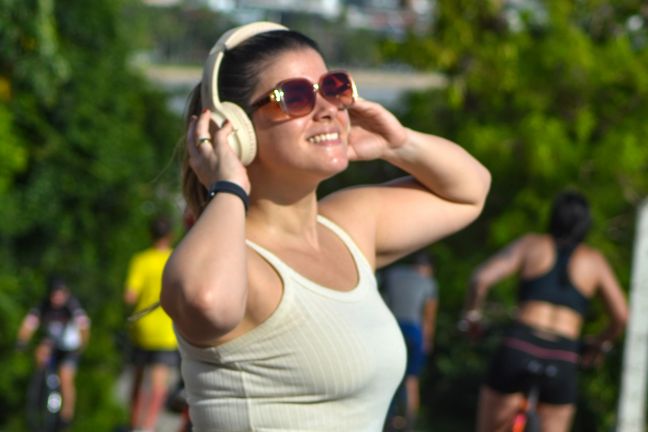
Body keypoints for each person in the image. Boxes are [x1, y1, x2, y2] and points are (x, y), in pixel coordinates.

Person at [160, 21, 490, 431]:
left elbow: (469, 192)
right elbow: (205, 301)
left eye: (333, 88)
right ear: (238, 128)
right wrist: (227, 186)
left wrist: (397, 144)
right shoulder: (238, 262)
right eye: (295, 96)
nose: (328, 109)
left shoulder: (349, 227)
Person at [460, 190, 628, 432]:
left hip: (519, 345)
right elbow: (621, 316)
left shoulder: (531, 244)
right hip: (563, 355)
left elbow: (480, 279)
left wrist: (472, 318)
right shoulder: (594, 261)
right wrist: (600, 343)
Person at [124, 216, 178, 432]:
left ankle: (134, 422)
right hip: (166, 331)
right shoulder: (176, 258)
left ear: (150, 234)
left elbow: (129, 295)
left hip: (142, 329)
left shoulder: (140, 260)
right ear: (171, 235)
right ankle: (148, 425)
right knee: (159, 384)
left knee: (138, 379)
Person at [16, 276, 91, 431]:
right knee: (40, 352)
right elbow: (29, 324)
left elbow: (84, 326)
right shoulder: (43, 305)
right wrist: (22, 341)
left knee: (65, 377)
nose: (56, 297)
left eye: (59, 293)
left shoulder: (72, 306)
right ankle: (40, 384)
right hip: (53, 346)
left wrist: (83, 345)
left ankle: (66, 416)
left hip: (70, 347)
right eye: (54, 293)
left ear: (65, 294)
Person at [381, 251, 439, 431]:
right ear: (428, 268)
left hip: (390, 328)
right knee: (411, 380)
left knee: (388, 377)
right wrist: (428, 341)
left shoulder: (393, 273)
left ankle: (387, 420)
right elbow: (428, 317)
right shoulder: (429, 283)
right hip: (413, 331)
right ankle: (410, 423)